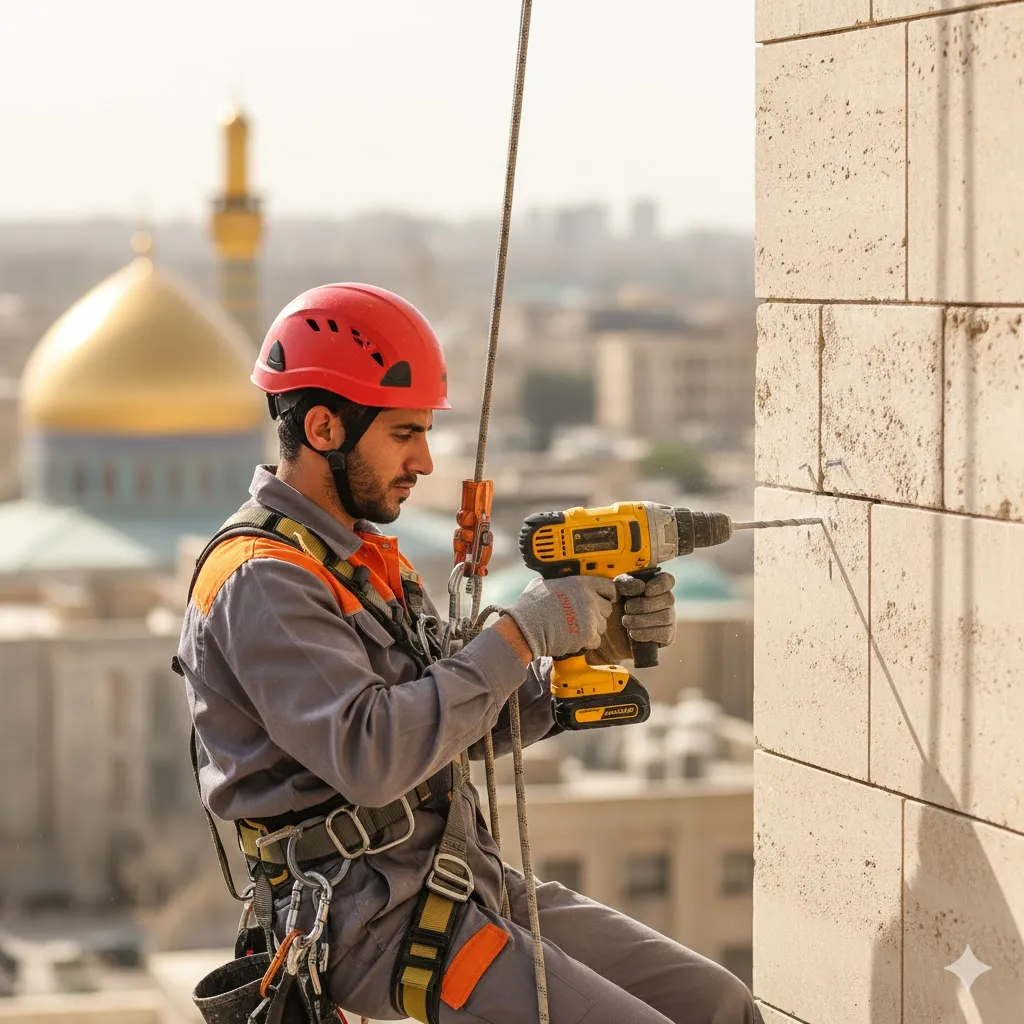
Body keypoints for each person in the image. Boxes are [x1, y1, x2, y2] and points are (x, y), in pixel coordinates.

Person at [176, 283, 763, 1024]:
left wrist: (575, 661)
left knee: (718, 1004)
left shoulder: (358, 562)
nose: (424, 459)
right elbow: (375, 755)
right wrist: (520, 634)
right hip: (373, 919)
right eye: (404, 433)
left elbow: (450, 722)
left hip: (456, 876)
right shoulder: (262, 581)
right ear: (324, 427)